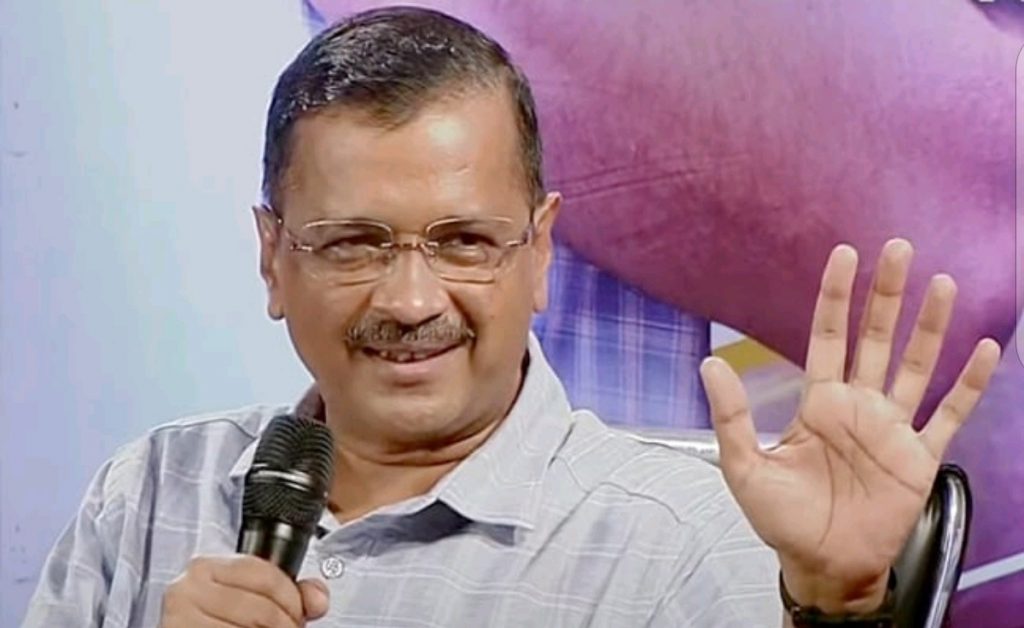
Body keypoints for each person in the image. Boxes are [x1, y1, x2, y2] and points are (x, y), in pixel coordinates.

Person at [23, 7, 1000, 627]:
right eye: (354, 243)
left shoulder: (697, 537)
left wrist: (837, 609)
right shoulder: (147, 493)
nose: (411, 301)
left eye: (464, 242)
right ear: (272, 257)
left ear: (538, 253)